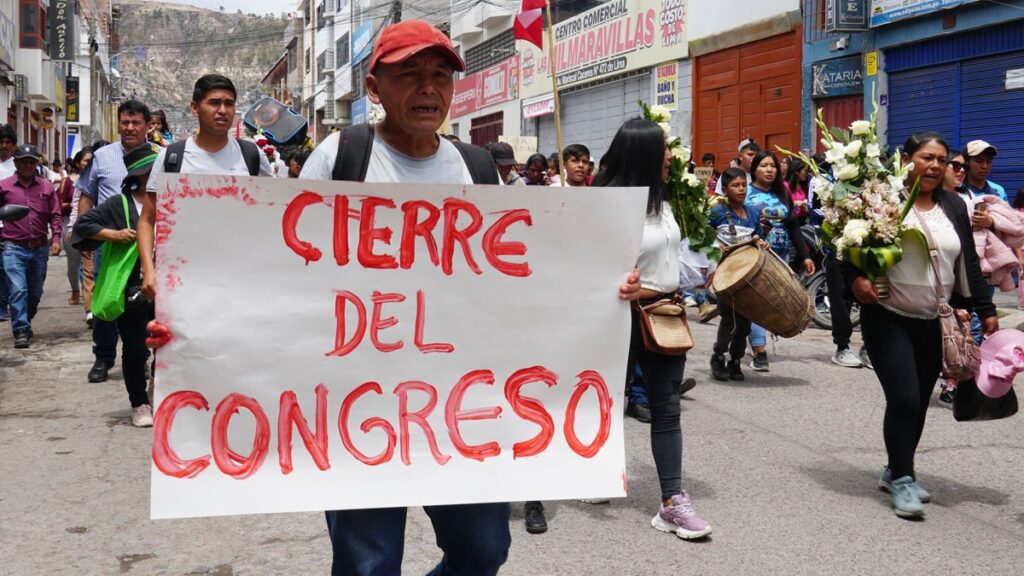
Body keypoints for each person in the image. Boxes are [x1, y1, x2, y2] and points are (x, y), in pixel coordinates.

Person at [148, 21, 640, 572]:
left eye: (439, 76)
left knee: (484, 550)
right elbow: (271, 276)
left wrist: (600, 291)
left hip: (460, 414)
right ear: (375, 88)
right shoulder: (341, 158)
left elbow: (524, 281)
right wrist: (192, 321)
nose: (428, 88)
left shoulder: (476, 170)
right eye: (409, 75)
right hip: (351, 411)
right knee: (368, 566)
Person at [845, 131, 997, 519]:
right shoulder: (883, 201)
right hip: (888, 317)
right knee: (905, 399)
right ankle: (903, 478)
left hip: (935, 321)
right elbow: (843, 252)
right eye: (926, 157)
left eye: (941, 160)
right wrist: (854, 281)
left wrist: (984, 309)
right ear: (907, 159)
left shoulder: (954, 206)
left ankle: (895, 468)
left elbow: (969, 264)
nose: (934, 166)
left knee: (918, 407)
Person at [594, 117, 712, 541]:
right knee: (602, 402)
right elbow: (585, 267)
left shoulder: (663, 201)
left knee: (666, 408)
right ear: (643, 154)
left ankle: (672, 502)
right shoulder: (605, 203)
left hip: (664, 317)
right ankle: (588, 472)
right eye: (663, 149)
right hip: (617, 319)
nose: (670, 156)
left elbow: (671, 255)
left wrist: (700, 273)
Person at [139, 74, 272, 298]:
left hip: (242, 281)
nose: (223, 110)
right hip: (182, 282)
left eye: (229, 104)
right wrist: (149, 270)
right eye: (214, 103)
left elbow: (273, 213)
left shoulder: (252, 156)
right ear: (194, 108)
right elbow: (147, 220)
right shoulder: (172, 157)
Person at [72, 143, 158, 427]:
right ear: (139, 175)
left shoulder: (175, 199)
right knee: (134, 347)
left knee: (169, 346)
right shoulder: (119, 204)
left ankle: (158, 389)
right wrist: (114, 234)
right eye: (150, 170)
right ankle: (139, 404)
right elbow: (83, 227)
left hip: (169, 284)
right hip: (131, 286)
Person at [78, 100, 152, 384]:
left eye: (135, 123)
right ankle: (104, 356)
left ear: (147, 126)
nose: (130, 127)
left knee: (142, 306)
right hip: (111, 243)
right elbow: (86, 194)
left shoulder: (159, 157)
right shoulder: (102, 155)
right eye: (125, 122)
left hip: (144, 245)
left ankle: (140, 357)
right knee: (107, 300)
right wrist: (88, 237)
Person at [745, 150, 814, 371]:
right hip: (755, 257)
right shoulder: (745, 193)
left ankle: (746, 343)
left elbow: (793, 225)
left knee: (773, 301)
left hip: (782, 257)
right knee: (759, 302)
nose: (769, 170)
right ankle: (759, 350)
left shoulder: (782, 194)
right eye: (764, 165)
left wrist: (805, 256)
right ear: (754, 168)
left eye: (773, 166)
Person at [0, 144, 62, 348]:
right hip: (12, 246)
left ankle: (25, 317)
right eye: (23, 161)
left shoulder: (46, 187)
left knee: (34, 292)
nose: (27, 165)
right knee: (18, 289)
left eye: (31, 161)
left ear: (37, 164)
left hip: (39, 247)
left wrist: (57, 239)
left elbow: (55, 214)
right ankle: (21, 329)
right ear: (16, 163)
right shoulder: (4, 187)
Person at [708, 168, 761, 381]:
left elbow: (758, 236)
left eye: (743, 185)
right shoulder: (717, 212)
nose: (741, 189)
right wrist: (714, 245)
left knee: (745, 321)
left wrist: (760, 242)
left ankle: (736, 360)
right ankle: (719, 355)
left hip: (747, 277)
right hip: (725, 276)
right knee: (728, 319)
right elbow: (704, 234)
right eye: (735, 186)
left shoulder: (753, 213)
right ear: (724, 189)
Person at [57, 152, 82, 306]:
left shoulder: (95, 178)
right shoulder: (67, 181)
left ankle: (90, 290)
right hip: (69, 223)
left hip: (91, 224)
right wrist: (74, 205)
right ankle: (75, 290)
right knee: (73, 262)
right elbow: (59, 203)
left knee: (91, 263)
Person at [0, 124, 18, 321]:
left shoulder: (20, 166)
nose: (4, 146)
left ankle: (6, 304)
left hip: (13, 226)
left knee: (7, 267)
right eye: (1, 142)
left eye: (8, 142)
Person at [784, 157, 810, 225]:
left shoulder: (804, 187)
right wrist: (795, 203)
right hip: (789, 222)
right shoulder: (785, 186)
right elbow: (781, 203)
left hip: (802, 221)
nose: (806, 174)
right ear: (796, 171)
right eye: (805, 171)